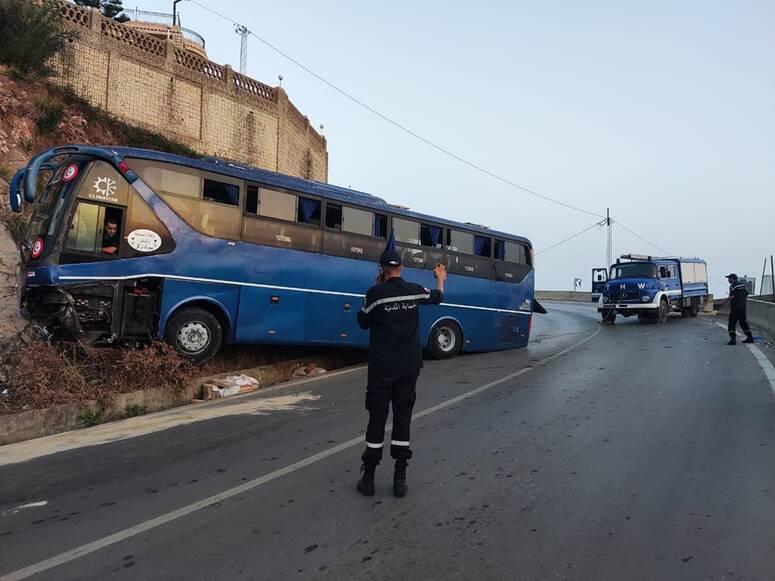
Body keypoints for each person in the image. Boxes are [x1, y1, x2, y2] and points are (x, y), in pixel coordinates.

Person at [355, 249, 447, 497]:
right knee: (403, 417)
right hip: (408, 366)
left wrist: (378, 290)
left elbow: (362, 322)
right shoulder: (415, 290)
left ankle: (369, 478)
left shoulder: (375, 294)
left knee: (377, 418)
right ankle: (400, 478)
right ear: (402, 268)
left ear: (381, 269)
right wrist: (440, 277)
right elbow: (438, 297)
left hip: (381, 367)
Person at [726, 273, 754, 345]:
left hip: (735, 308)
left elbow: (732, 296)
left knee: (732, 323)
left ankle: (733, 340)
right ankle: (750, 338)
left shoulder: (732, 286)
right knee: (743, 322)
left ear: (732, 278)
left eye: (729, 278)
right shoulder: (742, 285)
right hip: (743, 307)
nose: (728, 280)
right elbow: (746, 294)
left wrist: (725, 302)